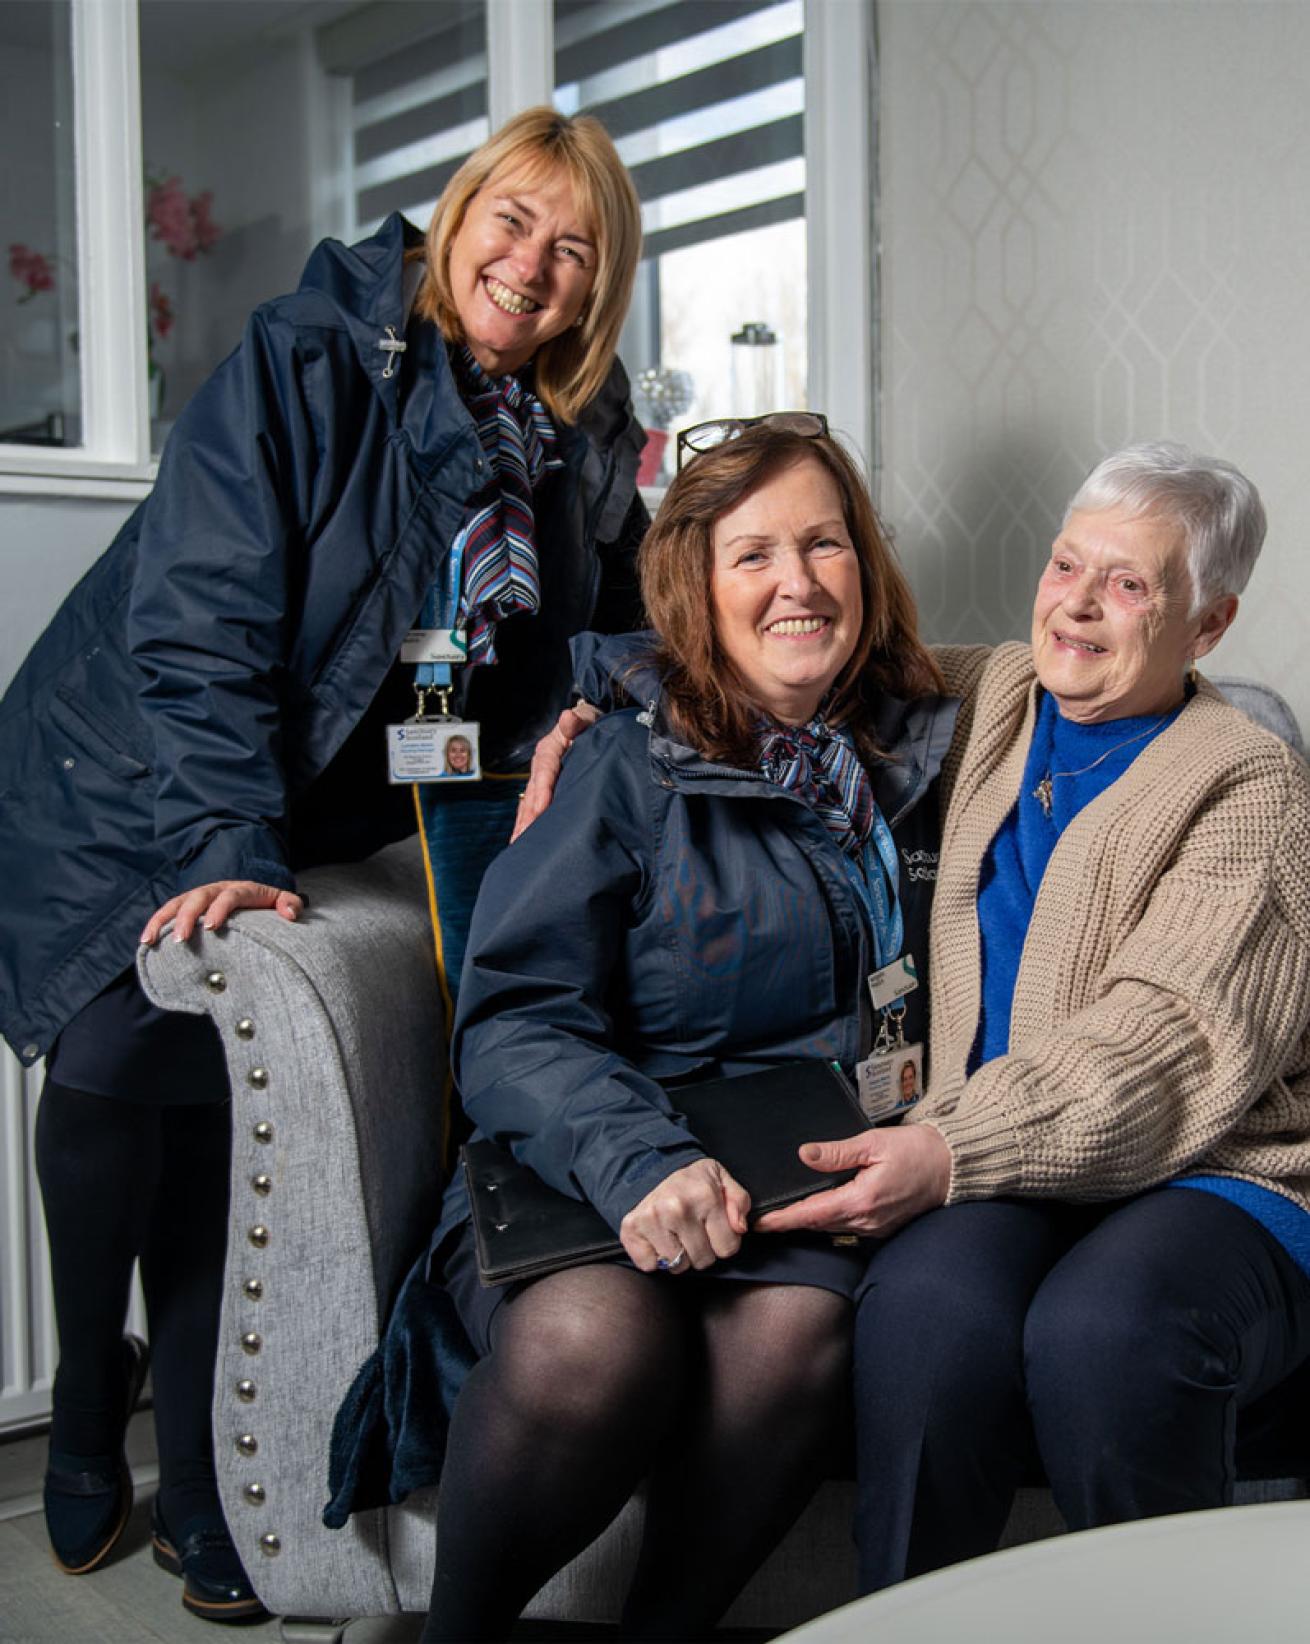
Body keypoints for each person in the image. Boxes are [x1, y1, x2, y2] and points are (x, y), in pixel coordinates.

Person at [0, 106, 645, 1623]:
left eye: (573, 250)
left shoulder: (578, 432)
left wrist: (583, 728)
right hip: (130, 758)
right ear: (453, 217)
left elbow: (574, 635)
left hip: (313, 798)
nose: (531, 266)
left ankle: (209, 1468)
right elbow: (202, 616)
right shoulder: (312, 355)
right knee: (108, 1060)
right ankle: (94, 1387)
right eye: (510, 223)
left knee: (227, 1084)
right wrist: (226, 840)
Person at [364, 419, 955, 1641]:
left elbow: (1080, 656)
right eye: (753, 556)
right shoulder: (621, 767)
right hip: (592, 1164)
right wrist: (641, 1160)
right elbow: (513, 1024)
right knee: (592, 1343)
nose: (796, 582)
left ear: (865, 567)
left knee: (794, 1333)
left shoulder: (922, 753)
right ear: (695, 584)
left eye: (824, 544)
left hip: (794, 1182)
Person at [752, 441, 1310, 1591]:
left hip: (1218, 1168)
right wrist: (595, 705)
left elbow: (1164, 1049)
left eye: (1128, 585)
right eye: (1065, 565)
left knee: (1104, 1336)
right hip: (1007, 1162)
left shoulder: (1250, 787)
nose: (1077, 605)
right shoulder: (993, 696)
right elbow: (791, 664)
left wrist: (948, 1145)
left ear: (1205, 625)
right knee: (924, 1325)